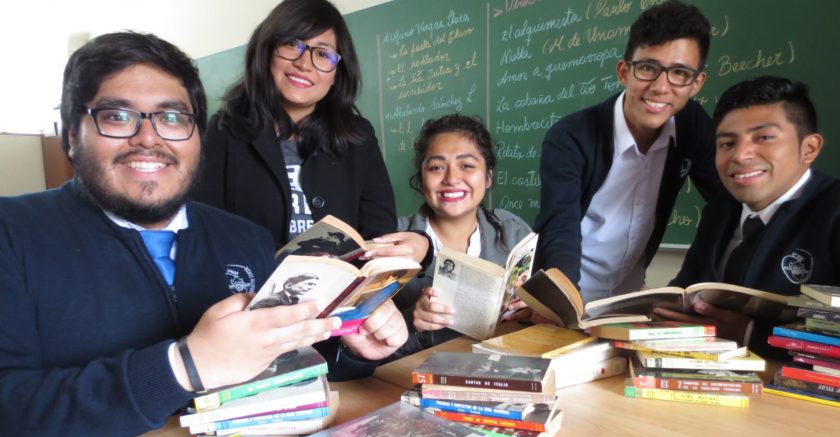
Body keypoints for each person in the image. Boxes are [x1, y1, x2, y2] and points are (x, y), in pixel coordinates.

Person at [0, 31, 407, 437]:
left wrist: (351, 347)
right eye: (117, 116)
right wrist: (183, 367)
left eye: (173, 118)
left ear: (198, 138)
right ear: (70, 136)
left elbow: (285, 369)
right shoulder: (12, 233)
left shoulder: (247, 240)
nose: (148, 138)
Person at [192, 0, 426, 263]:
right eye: (292, 44)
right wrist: (294, 260)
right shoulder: (224, 132)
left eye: (323, 54)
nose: (304, 63)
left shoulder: (358, 137)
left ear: (337, 74)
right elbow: (208, 231)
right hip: (256, 285)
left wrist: (420, 245)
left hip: (345, 285)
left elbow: (379, 234)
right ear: (267, 51)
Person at [532, 0, 725, 304]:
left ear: (696, 83)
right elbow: (559, 229)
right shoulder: (570, 137)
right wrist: (564, 304)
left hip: (628, 300)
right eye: (647, 68)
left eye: (679, 73)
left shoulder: (692, 126)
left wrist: (690, 281)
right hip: (565, 292)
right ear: (624, 72)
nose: (661, 87)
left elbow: (727, 199)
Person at [654, 76, 840, 356]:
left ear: (809, 148)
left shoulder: (833, 210)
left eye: (764, 138)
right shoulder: (720, 209)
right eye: (727, 143)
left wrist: (750, 333)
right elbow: (685, 289)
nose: (740, 155)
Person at [388, 114, 533, 360]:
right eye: (437, 167)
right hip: (414, 376)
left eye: (467, 166)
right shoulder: (394, 244)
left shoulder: (513, 233)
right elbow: (359, 353)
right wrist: (411, 322)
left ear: (488, 176)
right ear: (421, 180)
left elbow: (541, 327)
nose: (452, 179)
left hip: (500, 371)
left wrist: (532, 313)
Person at [250, 273, 319, 308]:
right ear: (289, 285)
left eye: (314, 285)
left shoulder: (294, 299)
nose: (311, 288)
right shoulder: (272, 300)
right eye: (309, 284)